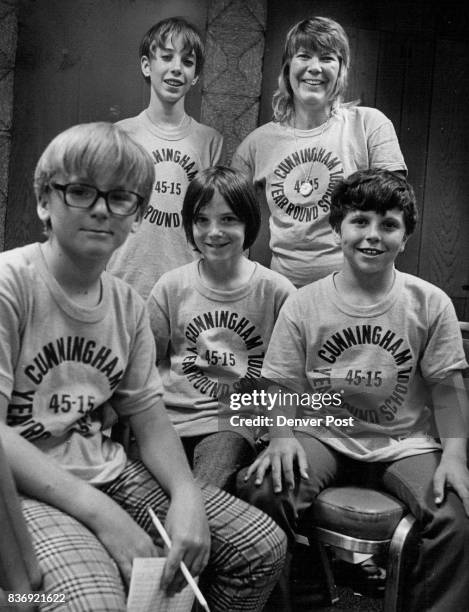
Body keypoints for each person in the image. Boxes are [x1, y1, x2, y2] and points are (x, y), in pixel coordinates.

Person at [0, 122, 287, 611]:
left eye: (120, 198)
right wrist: (102, 515)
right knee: (97, 601)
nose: (100, 208)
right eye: (80, 190)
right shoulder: (12, 283)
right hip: (24, 486)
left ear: (137, 217)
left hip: (110, 470)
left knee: (261, 545)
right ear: (44, 201)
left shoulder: (127, 305)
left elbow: (149, 418)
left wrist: (186, 496)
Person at [238, 169, 469, 611]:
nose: (372, 236)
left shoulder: (430, 302)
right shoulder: (304, 303)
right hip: (322, 434)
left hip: (403, 444)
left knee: (457, 515)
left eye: (388, 224)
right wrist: (282, 437)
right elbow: (282, 383)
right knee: (262, 489)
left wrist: (455, 458)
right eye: (360, 221)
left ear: (405, 236)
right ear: (337, 228)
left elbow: (447, 388)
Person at [147, 166, 295, 493]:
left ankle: (176, 542)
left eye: (228, 219)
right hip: (168, 421)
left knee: (200, 494)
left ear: (248, 223)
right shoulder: (171, 286)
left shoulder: (277, 292)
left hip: (231, 424)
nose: (214, 231)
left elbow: (286, 379)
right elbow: (148, 363)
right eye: (202, 220)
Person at [231, 16, 407, 288]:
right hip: (285, 297)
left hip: (359, 291)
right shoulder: (256, 144)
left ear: (342, 70)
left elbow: (395, 212)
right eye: (304, 56)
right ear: (288, 68)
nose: (315, 68)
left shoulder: (369, 125)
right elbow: (229, 217)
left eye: (327, 58)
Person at [108, 17, 223, 299]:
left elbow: (212, 219)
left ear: (195, 76)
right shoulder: (119, 134)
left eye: (187, 61)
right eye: (167, 57)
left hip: (184, 287)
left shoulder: (210, 141)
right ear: (147, 65)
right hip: (123, 280)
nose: (176, 69)